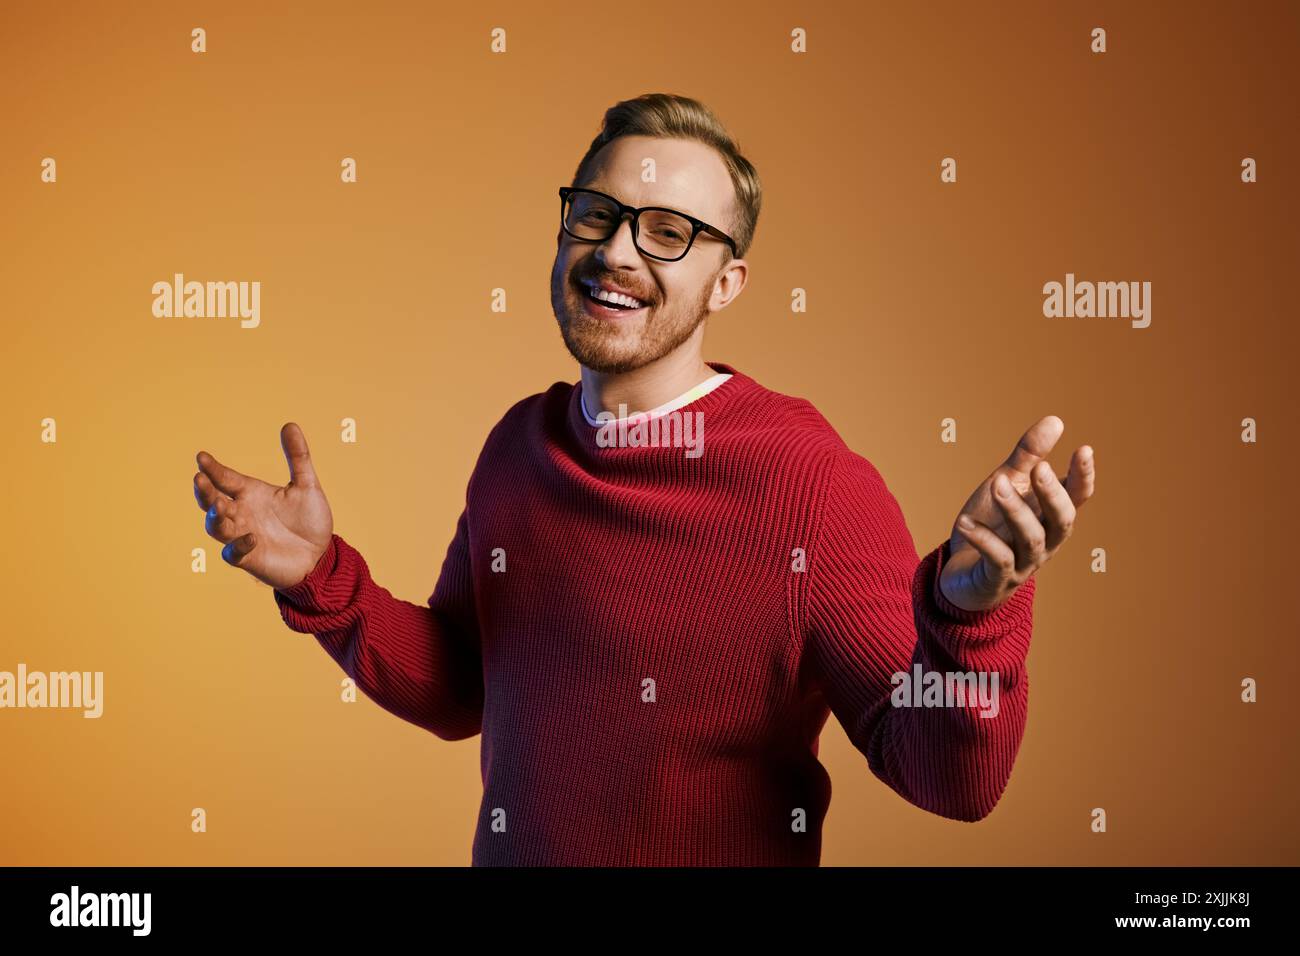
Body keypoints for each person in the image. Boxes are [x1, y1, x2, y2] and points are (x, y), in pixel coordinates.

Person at [193, 92, 1096, 866]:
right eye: (597, 213)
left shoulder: (809, 484)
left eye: (669, 234)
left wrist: (971, 620)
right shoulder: (520, 446)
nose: (617, 252)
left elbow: (950, 780)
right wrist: (325, 578)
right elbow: (466, 687)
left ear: (727, 283)